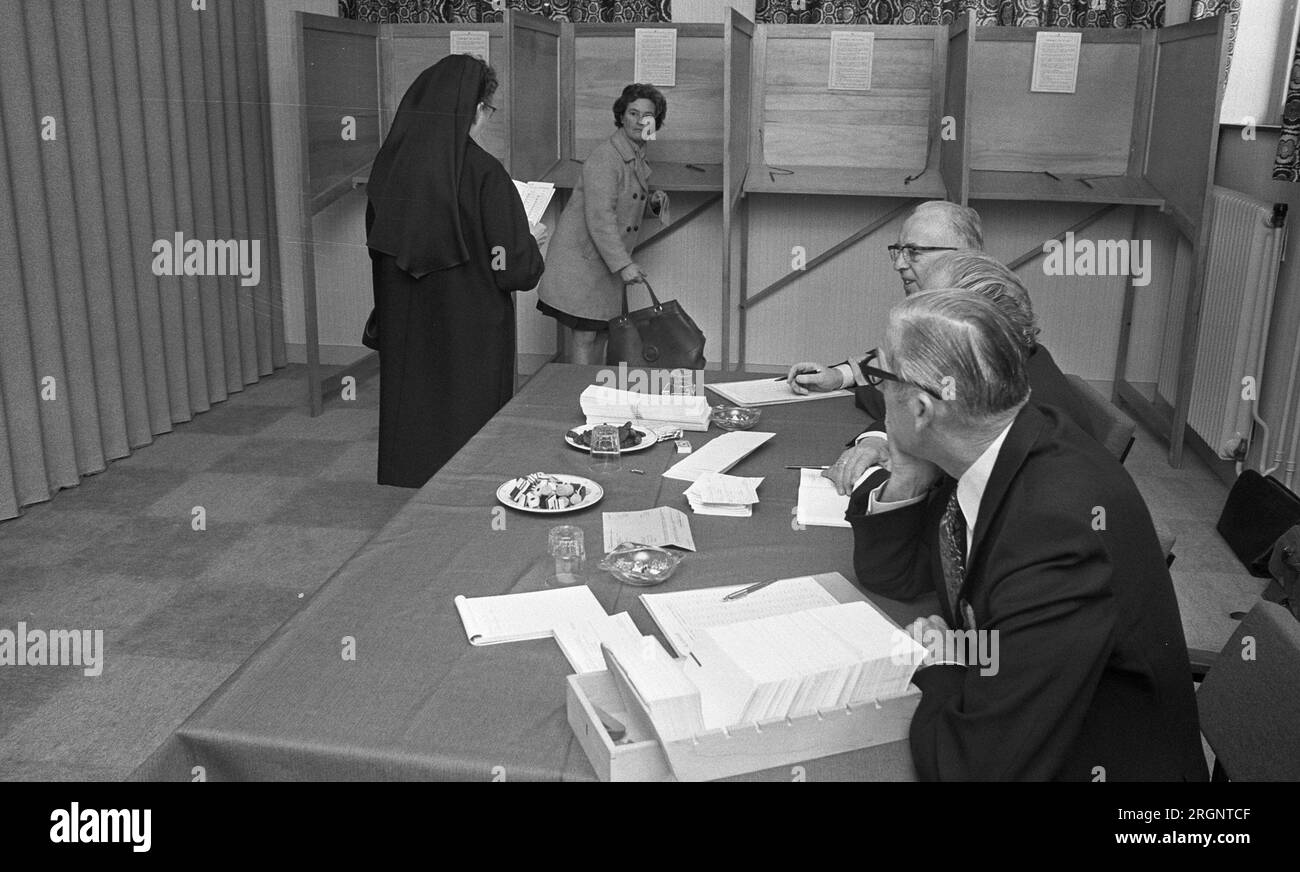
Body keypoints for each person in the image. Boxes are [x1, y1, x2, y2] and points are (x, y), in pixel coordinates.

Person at [848, 289, 1206, 781]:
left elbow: (974, 769)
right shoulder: (1004, 441)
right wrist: (909, 465)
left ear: (923, 408)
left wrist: (941, 664)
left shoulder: (1054, 536)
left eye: (880, 374)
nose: (876, 390)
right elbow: (897, 574)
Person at [366, 55, 545, 488]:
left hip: (408, 327)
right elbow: (514, 270)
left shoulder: (389, 167)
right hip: (471, 331)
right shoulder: (485, 172)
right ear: (474, 110)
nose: (486, 117)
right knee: (470, 432)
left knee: (416, 418)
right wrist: (532, 240)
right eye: (487, 108)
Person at [821, 251, 1105, 494]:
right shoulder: (1008, 370)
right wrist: (879, 439)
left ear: (975, 330)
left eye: (930, 315)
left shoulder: (1015, 417)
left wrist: (902, 482)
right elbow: (896, 396)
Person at [536, 84, 670, 364]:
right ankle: (580, 396)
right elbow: (601, 218)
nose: (640, 120)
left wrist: (652, 203)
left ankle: (592, 394)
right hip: (583, 264)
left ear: (655, 123)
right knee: (586, 336)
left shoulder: (634, 153)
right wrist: (624, 264)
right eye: (633, 113)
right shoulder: (605, 157)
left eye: (648, 115)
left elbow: (625, 207)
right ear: (621, 116)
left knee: (604, 334)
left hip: (601, 263)